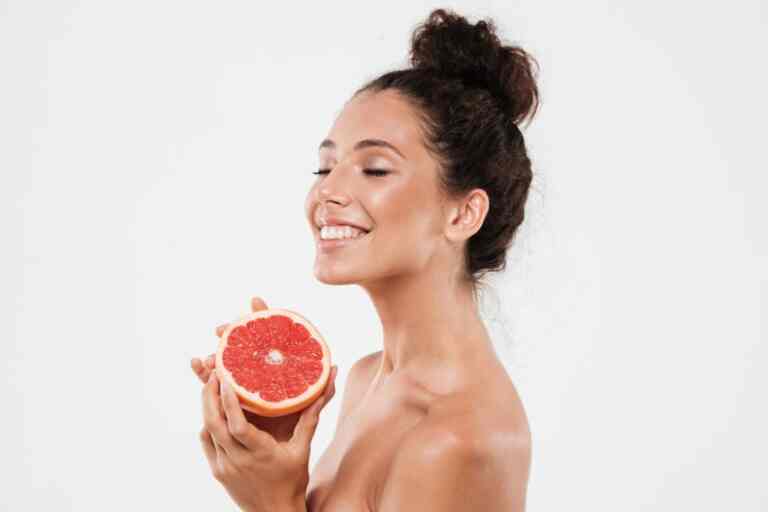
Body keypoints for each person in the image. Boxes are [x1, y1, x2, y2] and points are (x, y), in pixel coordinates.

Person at [191, 7, 540, 511]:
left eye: (374, 169)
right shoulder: (367, 381)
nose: (327, 191)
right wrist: (274, 446)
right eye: (325, 167)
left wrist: (270, 502)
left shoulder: (459, 440)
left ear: (464, 213)